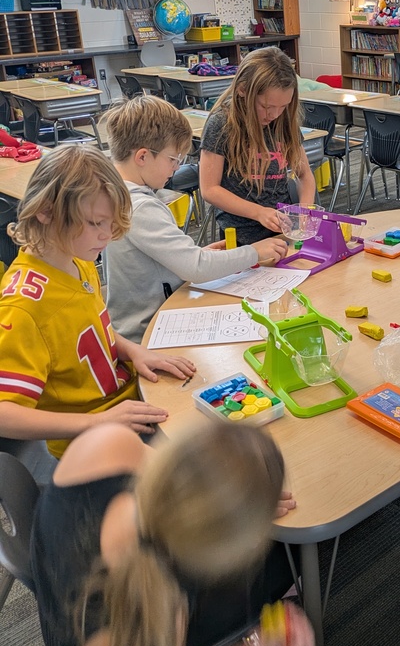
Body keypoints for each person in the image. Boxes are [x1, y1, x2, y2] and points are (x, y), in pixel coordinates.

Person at [30, 417, 316, 646]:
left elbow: (183, 481)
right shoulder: (160, 608)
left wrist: (229, 502)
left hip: (54, 579)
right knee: (292, 556)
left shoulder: (108, 443)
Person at [0, 146, 194, 458]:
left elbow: (87, 331)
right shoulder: (23, 307)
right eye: (95, 223)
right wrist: (98, 421)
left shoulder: (76, 257)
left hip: (124, 407)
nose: (108, 235)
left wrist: (133, 351)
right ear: (46, 211)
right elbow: (4, 414)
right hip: (90, 444)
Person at [102, 95, 288, 343]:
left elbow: (156, 263)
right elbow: (197, 269)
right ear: (142, 157)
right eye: (173, 159)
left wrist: (192, 255)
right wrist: (254, 251)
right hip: (149, 331)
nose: (176, 168)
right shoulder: (141, 207)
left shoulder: (117, 193)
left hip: (144, 320)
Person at [199, 47, 315, 246]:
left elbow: (304, 175)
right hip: (241, 238)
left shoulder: (283, 122)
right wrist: (259, 213)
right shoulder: (221, 123)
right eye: (267, 107)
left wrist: (304, 211)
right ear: (243, 90)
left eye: (284, 106)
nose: (274, 115)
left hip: (282, 233)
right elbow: (210, 189)